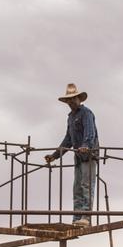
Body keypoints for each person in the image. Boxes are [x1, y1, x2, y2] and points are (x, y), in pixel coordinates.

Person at [44, 83, 99, 226]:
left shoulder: (86, 113)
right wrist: (55, 155)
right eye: (68, 100)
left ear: (79, 99)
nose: (70, 102)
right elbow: (68, 139)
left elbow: (90, 132)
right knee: (78, 187)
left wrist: (86, 146)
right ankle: (77, 218)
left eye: (73, 99)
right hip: (79, 156)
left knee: (86, 185)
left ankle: (86, 217)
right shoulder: (70, 117)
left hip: (89, 155)